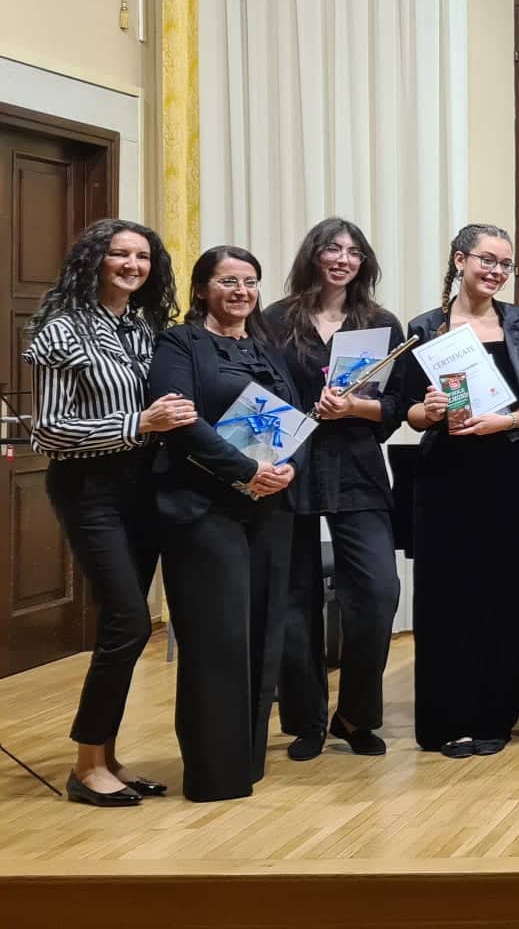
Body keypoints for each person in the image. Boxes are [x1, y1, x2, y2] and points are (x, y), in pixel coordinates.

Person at [25, 220, 190, 806]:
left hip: (142, 488)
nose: (132, 265)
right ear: (94, 259)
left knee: (122, 627)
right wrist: (137, 423)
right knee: (130, 622)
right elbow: (48, 431)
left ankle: (107, 758)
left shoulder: (144, 328)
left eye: (142, 256)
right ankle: (85, 765)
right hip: (89, 488)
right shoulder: (61, 330)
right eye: (119, 253)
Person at [148, 246, 300, 801]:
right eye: (228, 281)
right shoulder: (179, 343)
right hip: (202, 509)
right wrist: (246, 471)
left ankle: (247, 761)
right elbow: (180, 421)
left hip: (268, 508)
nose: (241, 292)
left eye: (250, 282)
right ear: (202, 288)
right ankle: (215, 775)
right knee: (218, 640)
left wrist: (287, 469)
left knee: (262, 633)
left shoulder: (267, 347)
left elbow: (295, 418)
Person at [396, 223, 519, 759]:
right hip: (445, 477)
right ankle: (448, 721)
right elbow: (408, 410)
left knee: (504, 597)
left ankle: (494, 717)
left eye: (505, 264)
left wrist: (508, 422)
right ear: (460, 260)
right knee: (447, 600)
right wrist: (430, 410)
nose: (496, 271)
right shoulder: (423, 327)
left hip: (508, 472)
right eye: (487, 259)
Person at [265, 219, 403, 762]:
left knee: (377, 592)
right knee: (293, 598)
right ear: (314, 255)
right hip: (290, 468)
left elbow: (394, 407)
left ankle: (355, 716)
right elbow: (259, 391)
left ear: (364, 262)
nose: (343, 259)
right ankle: (306, 721)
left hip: (357, 468)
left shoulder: (380, 323)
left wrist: (353, 408)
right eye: (332, 248)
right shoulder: (275, 320)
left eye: (353, 251)